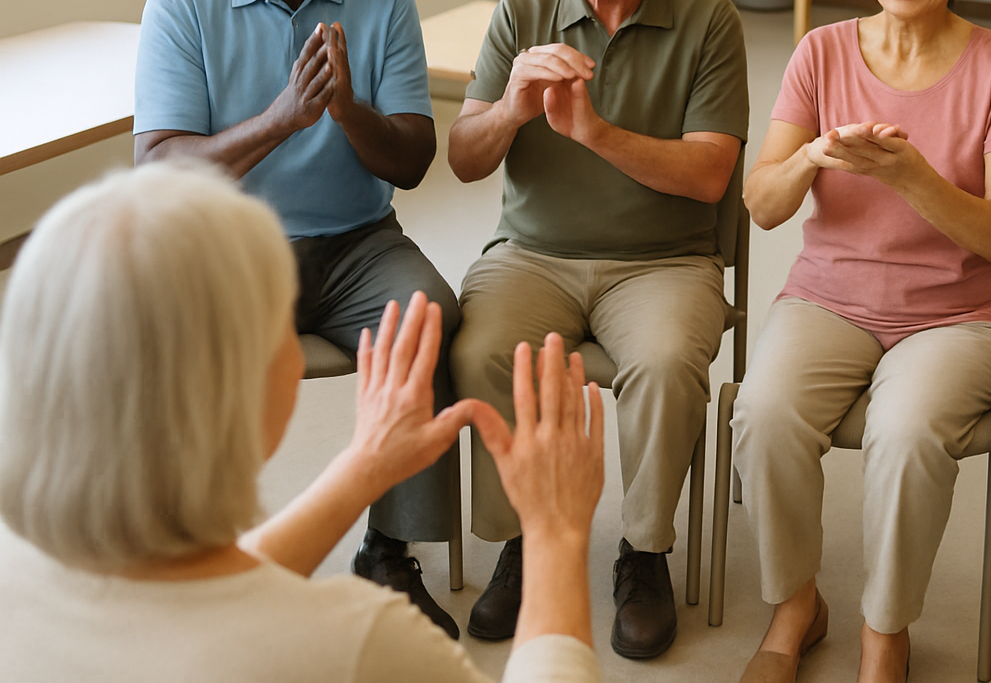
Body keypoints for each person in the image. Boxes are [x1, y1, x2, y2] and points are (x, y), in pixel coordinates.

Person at [0, 161, 606, 682]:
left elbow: (200, 600)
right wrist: (555, 537)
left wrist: (362, 469)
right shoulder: (355, 641)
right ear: (232, 399)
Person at [133, 0, 464, 633]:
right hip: (233, 249)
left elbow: (412, 161)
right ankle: (209, 551)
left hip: (359, 243)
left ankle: (388, 553)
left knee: (426, 316)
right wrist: (283, 118)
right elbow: (161, 166)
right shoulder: (182, 3)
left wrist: (346, 109)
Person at [732, 0, 991, 683]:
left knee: (904, 435)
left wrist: (910, 176)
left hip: (964, 315)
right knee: (763, 411)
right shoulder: (821, 52)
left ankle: (884, 630)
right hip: (828, 299)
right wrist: (812, 158)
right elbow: (762, 203)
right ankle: (796, 604)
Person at [447, 0, 748, 656]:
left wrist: (597, 133)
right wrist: (511, 107)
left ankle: (643, 553)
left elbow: (711, 175)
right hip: (531, 255)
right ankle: (526, 539)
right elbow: (465, 159)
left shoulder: (709, 19)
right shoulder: (520, 11)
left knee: (666, 362)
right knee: (477, 351)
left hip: (664, 261)